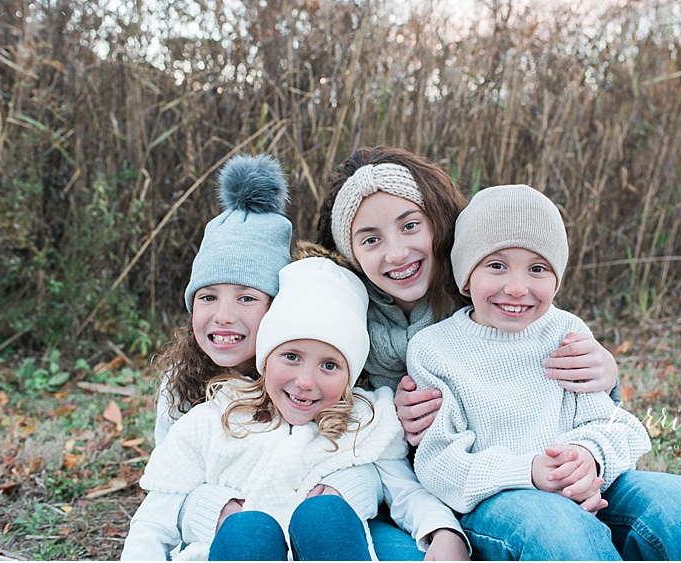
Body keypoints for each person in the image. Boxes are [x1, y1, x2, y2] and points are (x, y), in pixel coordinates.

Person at [406, 184, 681, 560]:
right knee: (559, 526)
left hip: (589, 488)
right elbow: (440, 465)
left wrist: (588, 457)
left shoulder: (564, 332)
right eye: (496, 265)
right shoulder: (435, 349)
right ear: (466, 276)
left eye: (537, 269)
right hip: (498, 503)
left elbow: (618, 427)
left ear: (557, 279)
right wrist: (530, 471)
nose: (517, 288)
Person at [315, 146, 620, 558]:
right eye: (371, 239)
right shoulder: (340, 323)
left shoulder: (486, 295)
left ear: (439, 225)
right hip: (402, 496)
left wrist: (608, 373)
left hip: (527, 479)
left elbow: (580, 402)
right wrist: (386, 414)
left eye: (410, 226)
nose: (397, 253)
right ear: (350, 252)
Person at [122, 255, 470, 560]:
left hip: (329, 549)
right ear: (265, 358)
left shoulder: (365, 422)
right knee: (249, 531)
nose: (306, 381)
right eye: (291, 357)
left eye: (329, 366)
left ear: (351, 374)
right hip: (241, 551)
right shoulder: (213, 420)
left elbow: (406, 493)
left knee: (325, 516)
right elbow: (156, 518)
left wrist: (443, 531)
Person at [147, 153, 386, 552]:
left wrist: (343, 492)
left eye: (246, 298)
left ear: (280, 310)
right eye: (207, 296)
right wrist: (215, 507)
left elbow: (365, 455)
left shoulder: (314, 374)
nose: (224, 317)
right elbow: (170, 482)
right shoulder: (182, 386)